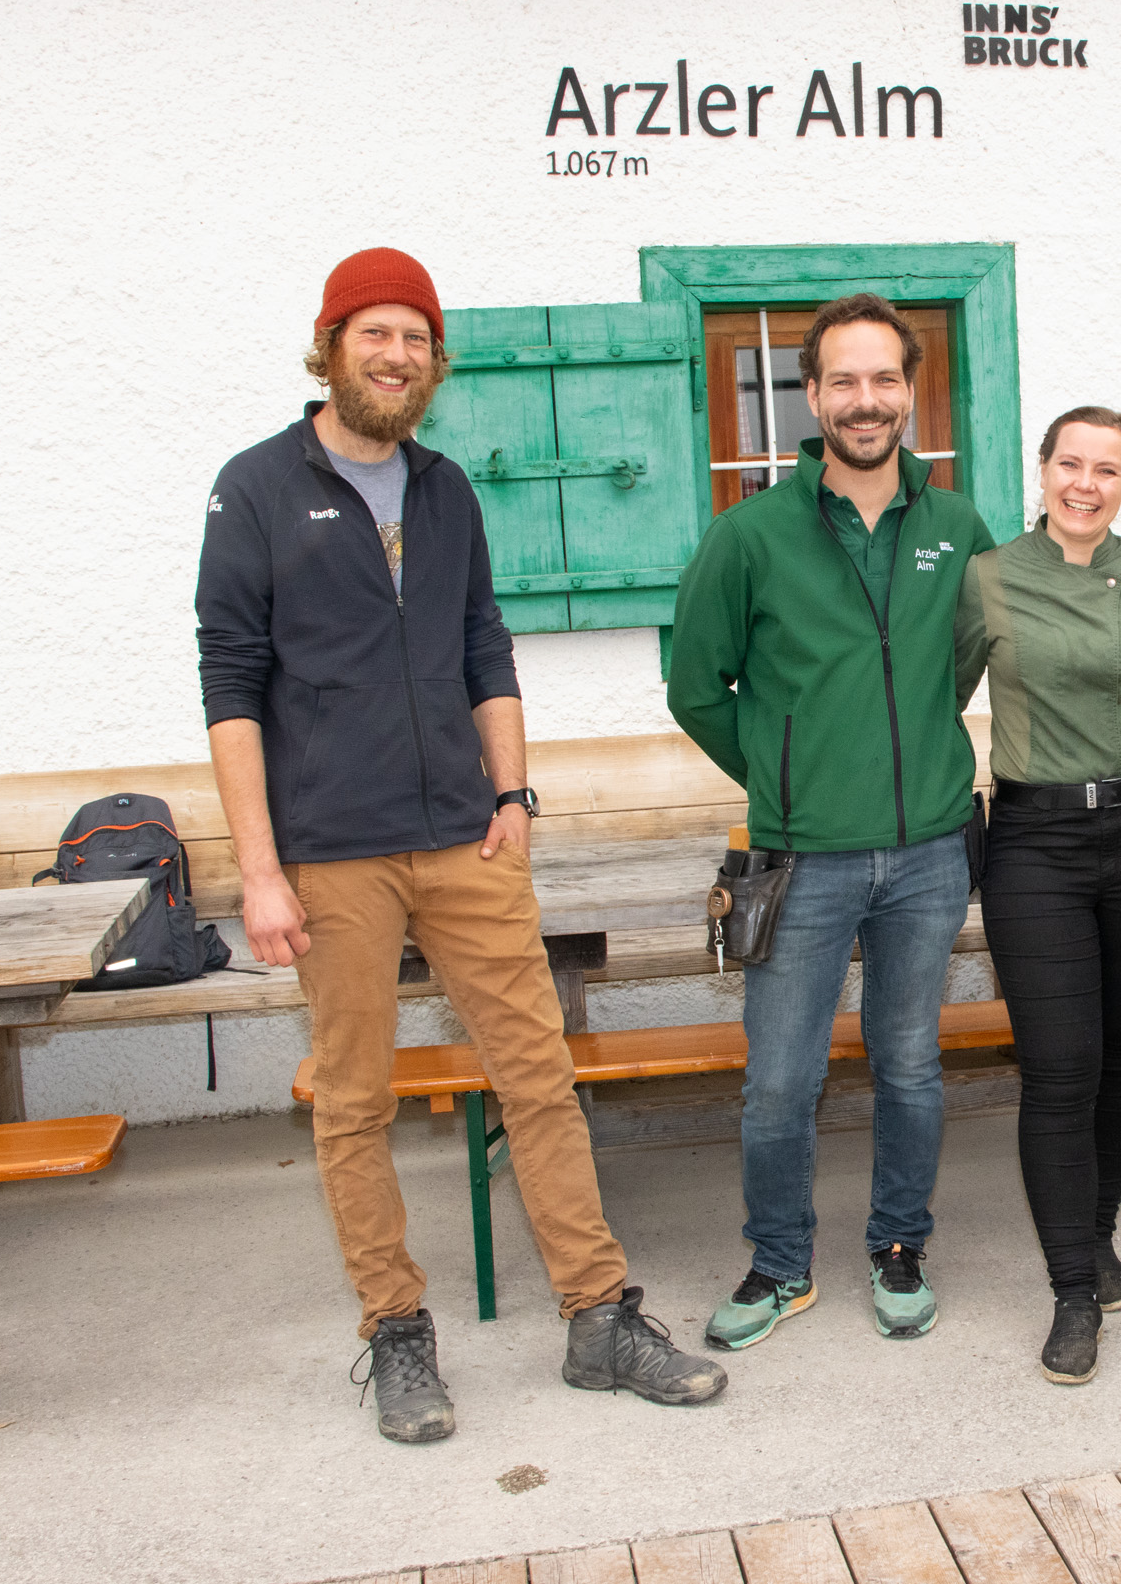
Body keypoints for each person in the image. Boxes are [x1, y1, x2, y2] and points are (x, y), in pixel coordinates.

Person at [196, 247, 725, 1444]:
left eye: (415, 337)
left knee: (539, 1075)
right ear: (330, 343)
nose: (396, 355)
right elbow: (230, 684)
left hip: (467, 842)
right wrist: (261, 870)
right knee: (354, 1101)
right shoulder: (257, 487)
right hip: (332, 851)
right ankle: (396, 1332)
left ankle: (599, 1317)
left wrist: (516, 795)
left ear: (437, 360)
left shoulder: (444, 491)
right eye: (373, 332)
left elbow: (487, 646)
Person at [668, 293, 996, 1350]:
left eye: (885, 378)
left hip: (931, 854)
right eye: (844, 381)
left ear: (911, 390)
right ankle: (778, 1264)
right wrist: (786, 773)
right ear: (811, 397)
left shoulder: (957, 526)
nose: (867, 400)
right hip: (801, 862)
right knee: (780, 1079)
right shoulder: (749, 534)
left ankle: (900, 1243)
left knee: (909, 1064)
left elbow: (969, 658)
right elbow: (695, 687)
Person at [954, 406, 1121, 1385]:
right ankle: (1073, 1287)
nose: (1085, 482)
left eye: (1106, 469)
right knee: (1058, 1066)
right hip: (1033, 841)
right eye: (1070, 463)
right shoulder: (988, 577)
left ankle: (1099, 1234)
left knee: (1120, 1059)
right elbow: (936, 697)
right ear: (1042, 470)